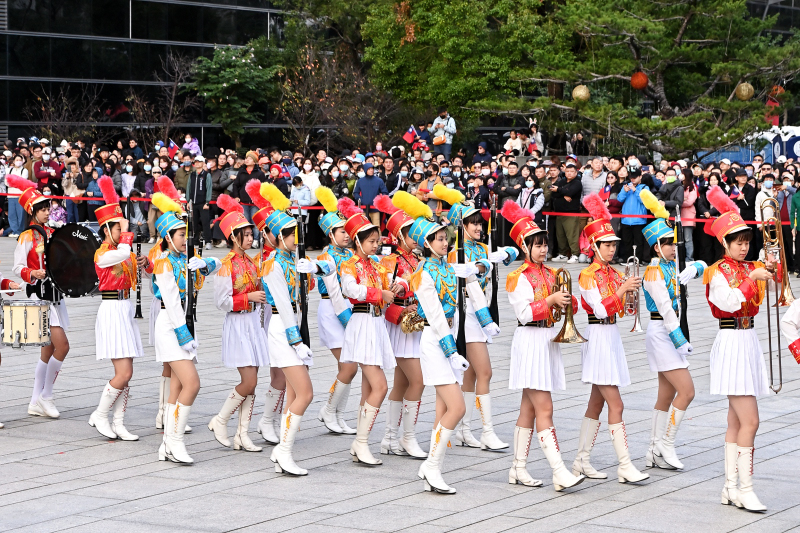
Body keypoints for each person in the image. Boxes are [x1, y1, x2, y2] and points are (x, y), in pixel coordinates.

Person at [500, 201, 586, 491]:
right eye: (536, 245)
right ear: (524, 247)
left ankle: (517, 468)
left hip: (547, 340)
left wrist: (568, 301)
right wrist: (550, 300)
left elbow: (567, 305)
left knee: (529, 409)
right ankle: (559, 471)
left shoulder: (551, 273)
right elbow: (524, 313)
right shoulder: (517, 277)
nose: (542, 249)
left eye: (544, 244)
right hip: (530, 340)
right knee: (544, 407)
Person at [391, 191, 472, 493]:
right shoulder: (423, 273)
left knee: (444, 409)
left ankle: (432, 468)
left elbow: (466, 292)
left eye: (444, 238)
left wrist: (482, 267)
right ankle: (431, 466)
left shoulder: (448, 267)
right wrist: (451, 351)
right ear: (426, 243)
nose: (444, 242)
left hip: (449, 338)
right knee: (457, 407)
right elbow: (436, 316)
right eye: (438, 239)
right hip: (435, 341)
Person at [702, 184, 775, 512]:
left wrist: (770, 271)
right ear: (725, 243)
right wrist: (751, 278)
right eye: (738, 242)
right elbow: (729, 303)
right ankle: (745, 488)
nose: (744, 248)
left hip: (748, 340)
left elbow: (768, 295)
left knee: (736, 422)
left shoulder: (750, 267)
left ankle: (730, 487)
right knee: (751, 421)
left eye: (747, 242)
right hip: (731, 340)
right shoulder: (716, 272)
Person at [572, 194, 649, 484]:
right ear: (594, 246)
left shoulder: (614, 272)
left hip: (612, 335)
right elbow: (601, 308)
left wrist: (630, 293)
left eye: (614, 244)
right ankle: (625, 465)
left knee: (597, 404)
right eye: (606, 244)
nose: (611, 248)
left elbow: (624, 309)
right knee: (616, 405)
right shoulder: (587, 275)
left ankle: (581, 460)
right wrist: (622, 289)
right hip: (597, 336)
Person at [150, 181, 220, 463]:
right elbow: (170, 302)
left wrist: (204, 263)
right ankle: (175, 441)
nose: (184, 239)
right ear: (168, 237)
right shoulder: (164, 263)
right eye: (180, 234)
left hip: (185, 324)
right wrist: (183, 335)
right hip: (171, 325)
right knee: (192, 383)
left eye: (186, 234)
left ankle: (167, 444)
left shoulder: (188, 258)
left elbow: (217, 264)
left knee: (178, 387)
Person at [335, 197, 408, 465]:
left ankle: (360, 442)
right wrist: (380, 294)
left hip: (377, 324)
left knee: (368, 388)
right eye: (371, 241)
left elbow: (395, 280)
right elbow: (350, 290)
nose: (376, 245)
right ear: (357, 241)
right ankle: (361, 441)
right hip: (362, 322)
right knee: (380, 385)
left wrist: (399, 287)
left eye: (377, 241)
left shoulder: (377, 265)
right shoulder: (349, 265)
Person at [438, 185, 509, 451]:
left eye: (480, 223)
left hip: (479, 310)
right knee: (485, 371)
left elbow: (508, 255)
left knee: (470, 375)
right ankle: (487, 431)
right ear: (461, 225)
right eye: (474, 223)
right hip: (466, 313)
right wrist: (483, 265)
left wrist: (503, 254)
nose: (479, 227)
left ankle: (465, 430)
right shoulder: (454, 253)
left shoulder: (481, 247)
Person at [639, 191, 706, 471]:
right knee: (687, 392)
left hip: (669, 331)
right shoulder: (654, 272)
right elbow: (666, 309)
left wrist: (696, 268)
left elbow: (703, 265)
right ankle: (666, 443)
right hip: (662, 332)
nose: (673, 247)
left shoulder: (671, 266)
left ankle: (654, 451)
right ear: (657, 247)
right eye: (667, 244)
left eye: (673, 243)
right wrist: (679, 339)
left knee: (665, 396)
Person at [260, 183, 320, 476]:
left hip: (291, 325)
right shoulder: (273, 263)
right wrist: (296, 341)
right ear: (278, 237)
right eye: (291, 235)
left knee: (297, 392)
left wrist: (315, 269)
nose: (296, 239)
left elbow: (326, 274)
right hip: (282, 327)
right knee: (305, 392)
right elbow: (283, 305)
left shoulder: (293, 260)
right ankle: (284, 451)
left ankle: (282, 450)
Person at [208, 195, 270, 453]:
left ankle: (242, 434)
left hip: (253, 324)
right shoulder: (226, 266)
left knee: (253, 382)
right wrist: (248, 297)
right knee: (249, 380)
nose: (249, 238)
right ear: (233, 237)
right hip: (238, 323)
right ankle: (220, 420)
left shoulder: (252, 262)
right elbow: (221, 302)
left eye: (250, 234)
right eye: (244, 234)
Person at [87, 177, 145, 441]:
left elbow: (136, 267)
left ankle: (119, 422)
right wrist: (127, 234)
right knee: (124, 372)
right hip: (111, 309)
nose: (122, 232)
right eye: (117, 228)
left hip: (125, 308)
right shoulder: (102, 253)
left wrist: (145, 262)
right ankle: (100, 414)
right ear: (106, 230)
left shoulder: (124, 250)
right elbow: (121, 253)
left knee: (127, 373)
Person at [9, 176, 71, 419]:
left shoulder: (53, 232)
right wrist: (32, 273)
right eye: (42, 209)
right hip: (40, 297)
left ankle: (35, 401)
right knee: (62, 346)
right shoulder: (27, 236)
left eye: (48, 208)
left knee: (48, 351)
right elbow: (17, 267)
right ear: (32, 212)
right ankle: (47, 396)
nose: (47, 212)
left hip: (55, 295)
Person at [374, 195, 427, 458]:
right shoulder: (389, 262)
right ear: (397, 236)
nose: (415, 237)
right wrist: (401, 311)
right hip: (399, 326)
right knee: (418, 381)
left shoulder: (417, 259)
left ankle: (389, 438)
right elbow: (383, 298)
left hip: (414, 325)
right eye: (409, 233)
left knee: (403, 383)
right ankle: (408, 438)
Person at [313, 187, 358, 436]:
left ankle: (338, 415)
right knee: (348, 366)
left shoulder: (351, 254)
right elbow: (332, 290)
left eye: (347, 231)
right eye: (342, 231)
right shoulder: (325, 257)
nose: (347, 235)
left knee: (349, 367)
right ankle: (329, 410)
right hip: (332, 310)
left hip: (349, 307)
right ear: (331, 234)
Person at [550, 162, 583, 263]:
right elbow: (553, 194)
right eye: (567, 171)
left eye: (571, 171)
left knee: (572, 235)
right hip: (559, 212)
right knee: (560, 235)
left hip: (571, 213)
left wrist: (560, 191)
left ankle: (575, 254)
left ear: (576, 173)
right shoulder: (562, 181)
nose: (569, 173)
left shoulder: (577, 182)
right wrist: (563, 193)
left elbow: (570, 192)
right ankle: (562, 254)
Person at [616, 169, 650, 263]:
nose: (633, 179)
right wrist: (624, 191)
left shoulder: (645, 187)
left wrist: (636, 191)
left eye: (635, 177)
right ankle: (628, 260)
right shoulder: (626, 186)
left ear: (640, 177)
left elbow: (645, 201)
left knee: (638, 242)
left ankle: (638, 260)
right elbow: (619, 199)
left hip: (639, 220)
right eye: (631, 177)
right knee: (627, 241)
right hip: (626, 219)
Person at [186, 155, 213, 249]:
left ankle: (208, 241)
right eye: (196, 162)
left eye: (199, 162)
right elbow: (189, 188)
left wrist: (207, 202)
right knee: (195, 223)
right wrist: (188, 201)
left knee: (205, 223)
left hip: (203, 203)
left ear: (203, 163)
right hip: (193, 203)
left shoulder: (206, 175)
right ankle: (195, 241)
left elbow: (209, 189)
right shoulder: (192, 175)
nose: (197, 163)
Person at [353, 163, 389, 228]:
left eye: (372, 169)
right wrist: (360, 200)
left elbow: (385, 193)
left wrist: (378, 200)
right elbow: (355, 193)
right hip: (363, 208)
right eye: (369, 169)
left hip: (375, 209)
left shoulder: (379, 181)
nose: (371, 170)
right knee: (363, 227)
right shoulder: (360, 181)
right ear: (365, 170)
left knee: (376, 226)